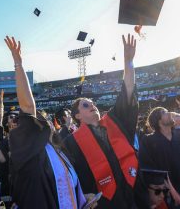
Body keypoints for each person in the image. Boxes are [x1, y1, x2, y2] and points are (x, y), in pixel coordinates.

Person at [5, 35, 96, 209]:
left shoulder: (59, 152)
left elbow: (63, 189)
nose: (44, 122)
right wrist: (18, 63)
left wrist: (82, 198)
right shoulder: (31, 153)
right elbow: (27, 105)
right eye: (39, 119)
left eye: (45, 118)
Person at [63, 34, 149, 208]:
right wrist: (82, 195)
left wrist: (128, 61)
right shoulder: (71, 143)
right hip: (105, 203)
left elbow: (128, 92)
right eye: (86, 105)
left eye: (93, 103)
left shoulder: (114, 121)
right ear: (77, 116)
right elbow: (69, 178)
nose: (92, 105)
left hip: (136, 195)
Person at [139, 107, 180, 209]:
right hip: (166, 196)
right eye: (164, 112)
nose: (169, 112)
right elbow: (148, 169)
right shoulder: (148, 141)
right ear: (158, 120)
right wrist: (162, 190)